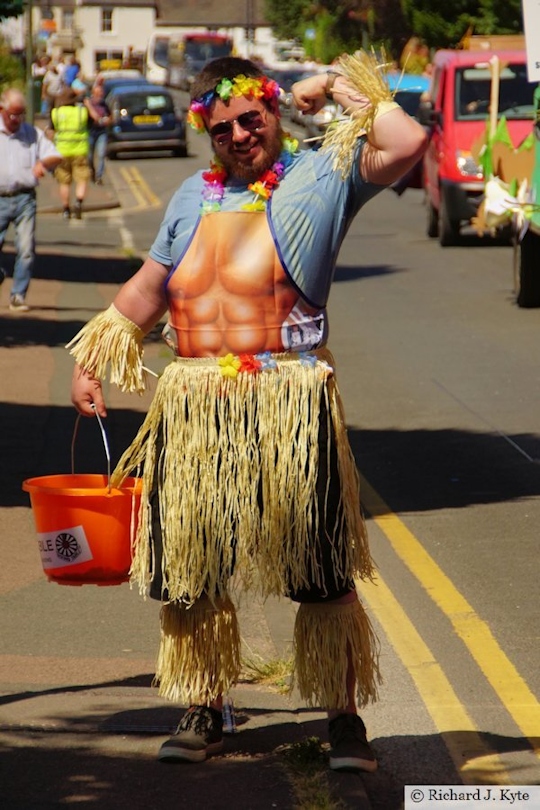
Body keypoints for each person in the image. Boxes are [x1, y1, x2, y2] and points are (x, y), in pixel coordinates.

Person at [68, 56, 427, 770]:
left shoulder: (320, 176)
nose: (239, 133)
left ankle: (344, 722)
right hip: (197, 406)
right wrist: (93, 356)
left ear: (272, 107)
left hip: (289, 404)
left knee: (321, 571)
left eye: (250, 116)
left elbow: (406, 141)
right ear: (206, 130)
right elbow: (153, 285)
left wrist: (334, 88)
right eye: (222, 125)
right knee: (192, 571)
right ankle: (207, 707)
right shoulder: (188, 199)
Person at [0, 88, 61, 312]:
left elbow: (55, 155)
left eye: (21, 114)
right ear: (2, 110)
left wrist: (43, 164)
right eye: (13, 114)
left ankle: (18, 295)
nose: (17, 119)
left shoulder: (32, 133)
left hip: (25, 198)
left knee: (25, 249)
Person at [49, 88, 91, 220]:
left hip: (62, 151)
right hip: (80, 150)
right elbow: (91, 124)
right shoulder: (82, 112)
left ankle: (66, 209)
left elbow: (51, 131)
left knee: (64, 182)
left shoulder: (56, 113)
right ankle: (78, 202)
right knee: (82, 178)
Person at [84, 84, 111, 184]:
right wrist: (89, 106)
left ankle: (99, 177)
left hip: (101, 132)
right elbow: (94, 117)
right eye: (98, 93)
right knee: (89, 156)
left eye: (101, 93)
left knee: (101, 154)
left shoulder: (104, 104)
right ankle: (92, 171)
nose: (100, 95)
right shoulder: (87, 105)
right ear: (93, 94)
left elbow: (110, 115)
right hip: (90, 131)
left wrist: (108, 120)